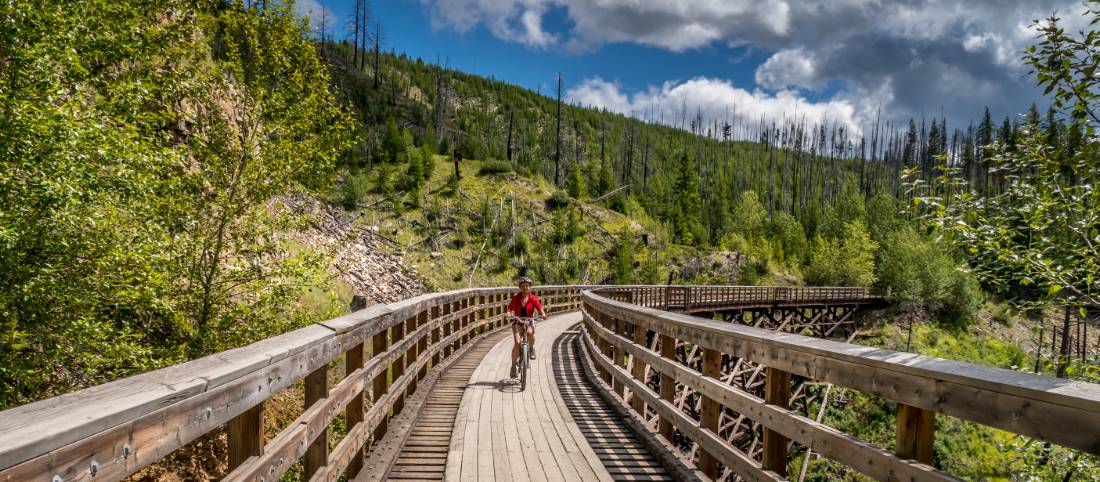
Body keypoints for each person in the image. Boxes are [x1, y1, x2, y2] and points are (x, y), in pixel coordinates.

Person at [509, 276, 546, 378]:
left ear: (530, 287)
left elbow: (539, 308)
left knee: (530, 333)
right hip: (517, 322)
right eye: (523, 286)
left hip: (529, 321)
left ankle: (531, 348)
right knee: (517, 343)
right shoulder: (516, 298)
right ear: (520, 288)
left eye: (527, 286)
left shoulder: (533, 298)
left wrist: (543, 314)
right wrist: (508, 314)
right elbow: (510, 308)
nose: (525, 288)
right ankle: (513, 366)